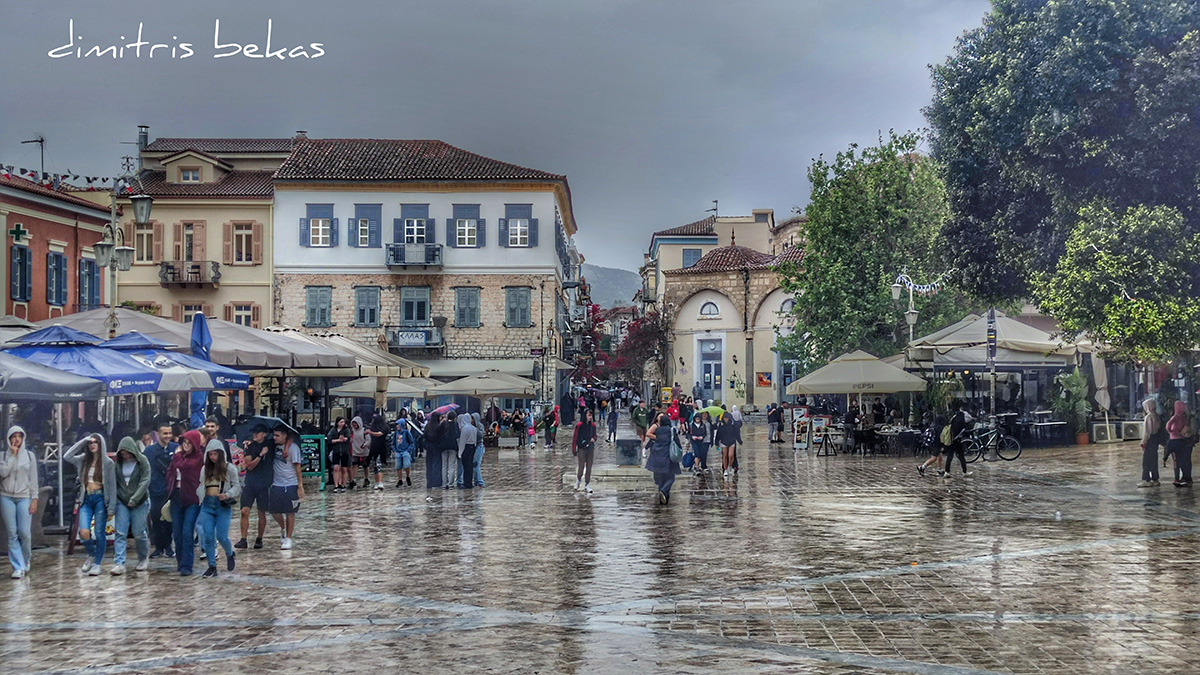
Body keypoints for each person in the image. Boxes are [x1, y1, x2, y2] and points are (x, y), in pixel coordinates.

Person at [64, 433, 116, 576]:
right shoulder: (82, 460)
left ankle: (97, 563)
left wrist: (111, 507)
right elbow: (67, 456)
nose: (92, 445)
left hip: (100, 498)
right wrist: (82, 441)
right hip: (86, 498)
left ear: (101, 445)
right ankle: (91, 555)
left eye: (95, 442)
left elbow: (112, 486)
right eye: (90, 443)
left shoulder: (107, 463)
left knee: (99, 532)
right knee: (84, 531)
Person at [195, 438, 240, 578]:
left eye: (215, 454)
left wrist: (228, 494)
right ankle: (211, 565)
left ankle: (229, 553)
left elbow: (237, 486)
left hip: (222, 506)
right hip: (207, 504)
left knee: (221, 535)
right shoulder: (205, 469)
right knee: (208, 536)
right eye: (210, 454)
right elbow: (201, 485)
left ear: (221, 454)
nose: (213, 457)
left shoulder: (229, 468)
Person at [110, 436, 151, 575]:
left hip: (139, 502)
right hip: (122, 501)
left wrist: (135, 498)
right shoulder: (117, 465)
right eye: (122, 453)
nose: (125, 455)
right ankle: (119, 562)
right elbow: (114, 483)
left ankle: (143, 557)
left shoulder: (142, 461)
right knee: (120, 532)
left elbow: (145, 480)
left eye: (127, 452)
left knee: (139, 532)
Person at [166, 430, 205, 576]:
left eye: (189, 443)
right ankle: (181, 561)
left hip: (192, 498)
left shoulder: (198, 457)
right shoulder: (178, 457)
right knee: (177, 532)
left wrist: (176, 455)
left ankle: (187, 565)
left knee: (187, 531)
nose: (186, 446)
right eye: (184, 443)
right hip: (176, 496)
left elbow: (185, 466)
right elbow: (171, 471)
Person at [0, 426, 38, 579]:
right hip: (6, 496)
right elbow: (2, 473)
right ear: (9, 439)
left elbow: (33, 479)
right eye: (13, 437)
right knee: (12, 533)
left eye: (19, 436)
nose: (16, 440)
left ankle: (26, 558)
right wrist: (12, 457)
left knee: (24, 532)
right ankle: (18, 566)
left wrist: (34, 498)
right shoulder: (3, 456)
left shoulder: (29, 456)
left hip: (24, 496)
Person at [235, 424, 274, 549]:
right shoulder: (250, 447)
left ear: (264, 434)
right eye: (254, 432)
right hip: (250, 483)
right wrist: (260, 455)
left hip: (264, 484)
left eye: (258, 432)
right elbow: (249, 465)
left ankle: (259, 538)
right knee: (244, 511)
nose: (255, 434)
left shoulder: (271, 445)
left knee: (261, 513)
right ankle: (243, 538)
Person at [269, 425, 304, 549]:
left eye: (277, 435)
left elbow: (297, 467)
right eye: (274, 435)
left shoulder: (293, 448)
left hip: (290, 483)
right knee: (274, 511)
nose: (274, 438)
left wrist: (300, 485)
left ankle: (288, 537)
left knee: (290, 511)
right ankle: (282, 527)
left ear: (285, 436)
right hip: (276, 484)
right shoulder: (273, 446)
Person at [643, 413, 681, 504]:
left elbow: (654, 437)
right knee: (671, 477)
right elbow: (677, 442)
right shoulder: (671, 430)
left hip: (657, 456)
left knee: (661, 479)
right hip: (668, 457)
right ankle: (664, 491)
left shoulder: (658, 430)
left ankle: (662, 498)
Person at [1166, 400, 1194, 487]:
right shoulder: (1185, 417)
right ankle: (1185, 477)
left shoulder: (1175, 417)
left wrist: (1171, 432)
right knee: (1183, 460)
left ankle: (1177, 478)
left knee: (1176, 461)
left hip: (1174, 441)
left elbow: (1167, 426)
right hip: (1183, 441)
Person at [942, 401, 971, 478]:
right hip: (957, 440)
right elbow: (969, 418)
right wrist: (963, 412)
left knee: (950, 456)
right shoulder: (961, 416)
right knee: (961, 456)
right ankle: (964, 471)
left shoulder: (954, 417)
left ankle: (947, 472)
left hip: (951, 439)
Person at [1139, 399, 1165, 487]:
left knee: (1146, 461)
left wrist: (1143, 442)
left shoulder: (1149, 417)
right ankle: (1155, 478)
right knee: (1154, 460)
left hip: (1150, 440)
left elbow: (1147, 432)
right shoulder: (1157, 416)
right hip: (1155, 440)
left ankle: (1146, 479)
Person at [573, 409, 598, 493]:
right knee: (581, 466)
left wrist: (593, 439)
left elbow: (595, 436)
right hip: (581, 448)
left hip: (590, 448)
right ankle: (578, 479)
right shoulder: (579, 425)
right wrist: (574, 449)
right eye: (588, 415)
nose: (590, 417)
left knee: (589, 466)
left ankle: (587, 483)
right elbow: (575, 437)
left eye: (591, 415)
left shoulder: (593, 426)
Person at [326, 417, 351, 493]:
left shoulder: (346, 430)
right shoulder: (333, 430)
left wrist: (343, 439)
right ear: (337, 423)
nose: (342, 423)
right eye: (341, 422)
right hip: (336, 451)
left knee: (344, 469)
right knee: (336, 468)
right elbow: (329, 439)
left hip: (345, 452)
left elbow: (348, 438)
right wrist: (338, 440)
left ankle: (343, 484)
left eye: (343, 422)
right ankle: (336, 485)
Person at [715, 411, 742, 477]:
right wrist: (716, 442)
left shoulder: (733, 425)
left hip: (732, 441)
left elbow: (736, 433)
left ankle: (730, 466)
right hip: (724, 441)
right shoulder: (721, 426)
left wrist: (739, 440)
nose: (726, 419)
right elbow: (718, 434)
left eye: (727, 418)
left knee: (731, 455)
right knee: (725, 455)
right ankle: (725, 469)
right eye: (725, 418)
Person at [349, 416, 372, 490]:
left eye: (355, 423)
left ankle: (366, 478)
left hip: (364, 452)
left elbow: (368, 440)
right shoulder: (352, 431)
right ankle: (353, 479)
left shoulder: (364, 430)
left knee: (366, 466)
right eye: (353, 423)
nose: (354, 425)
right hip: (355, 452)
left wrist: (365, 445)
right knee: (354, 465)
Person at [368, 412, 389, 490]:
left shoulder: (384, 427)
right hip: (373, 448)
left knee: (378, 464)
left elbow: (379, 434)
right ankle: (377, 482)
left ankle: (380, 482)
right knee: (375, 466)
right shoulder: (373, 427)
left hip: (381, 448)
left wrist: (371, 433)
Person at [423, 411, 444, 489]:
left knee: (429, 465)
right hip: (437, 448)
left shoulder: (428, 426)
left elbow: (424, 437)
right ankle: (436, 482)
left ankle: (430, 482)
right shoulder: (438, 427)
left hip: (429, 448)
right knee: (437, 465)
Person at [457, 412, 478, 489]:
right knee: (470, 465)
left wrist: (460, 452)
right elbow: (475, 440)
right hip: (472, 447)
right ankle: (469, 482)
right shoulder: (473, 428)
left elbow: (462, 441)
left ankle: (466, 483)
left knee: (466, 466)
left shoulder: (464, 429)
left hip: (466, 447)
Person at [394, 414, 416, 488]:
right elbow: (393, 443)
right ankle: (400, 480)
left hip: (405, 451)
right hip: (398, 451)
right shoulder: (395, 433)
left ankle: (407, 476)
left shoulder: (407, 433)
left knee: (406, 465)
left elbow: (411, 442)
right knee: (398, 466)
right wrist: (394, 450)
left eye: (398, 425)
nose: (397, 426)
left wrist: (409, 450)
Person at [442, 411, 461, 489]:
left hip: (443, 447)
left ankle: (444, 483)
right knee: (452, 465)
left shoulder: (443, 424)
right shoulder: (455, 425)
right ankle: (450, 483)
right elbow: (457, 435)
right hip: (453, 446)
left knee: (444, 465)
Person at [470, 413, 486, 487]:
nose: (472, 420)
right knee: (473, 464)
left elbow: (481, 435)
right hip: (472, 446)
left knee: (476, 464)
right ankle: (476, 481)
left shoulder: (480, 426)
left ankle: (480, 481)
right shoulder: (470, 426)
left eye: (473, 418)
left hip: (479, 446)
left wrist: (475, 429)